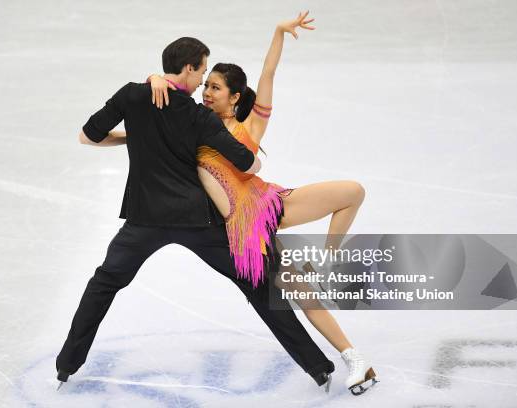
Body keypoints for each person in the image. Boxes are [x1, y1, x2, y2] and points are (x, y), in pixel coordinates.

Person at [56, 36, 336, 392]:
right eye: (202, 71)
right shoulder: (199, 115)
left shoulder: (132, 95)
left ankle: (66, 366)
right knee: (257, 284)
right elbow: (247, 161)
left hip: (144, 219)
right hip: (196, 221)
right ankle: (318, 367)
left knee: (104, 284)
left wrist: (135, 135)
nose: (202, 80)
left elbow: (87, 136)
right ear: (188, 67)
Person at [143, 12, 378, 395]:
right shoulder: (193, 121)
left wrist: (278, 33)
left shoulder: (249, 127)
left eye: (215, 88)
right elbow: (162, 98)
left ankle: (331, 270)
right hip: (245, 228)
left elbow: (267, 74)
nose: (207, 92)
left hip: (270, 205)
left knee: (352, 191)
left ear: (235, 97)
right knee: (300, 296)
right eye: (207, 85)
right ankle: (356, 361)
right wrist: (155, 78)